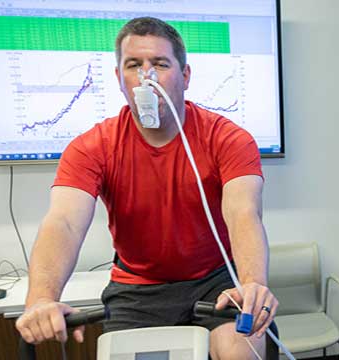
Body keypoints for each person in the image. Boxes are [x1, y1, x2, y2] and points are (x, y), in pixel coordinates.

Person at [15, 17, 277, 360]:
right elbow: (63, 221)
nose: (147, 76)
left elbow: (243, 212)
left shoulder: (227, 139)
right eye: (134, 65)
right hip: (138, 290)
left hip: (217, 280)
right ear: (119, 78)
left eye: (160, 64)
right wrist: (41, 299)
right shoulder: (92, 147)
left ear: (184, 76)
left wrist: (252, 282)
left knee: (240, 352)